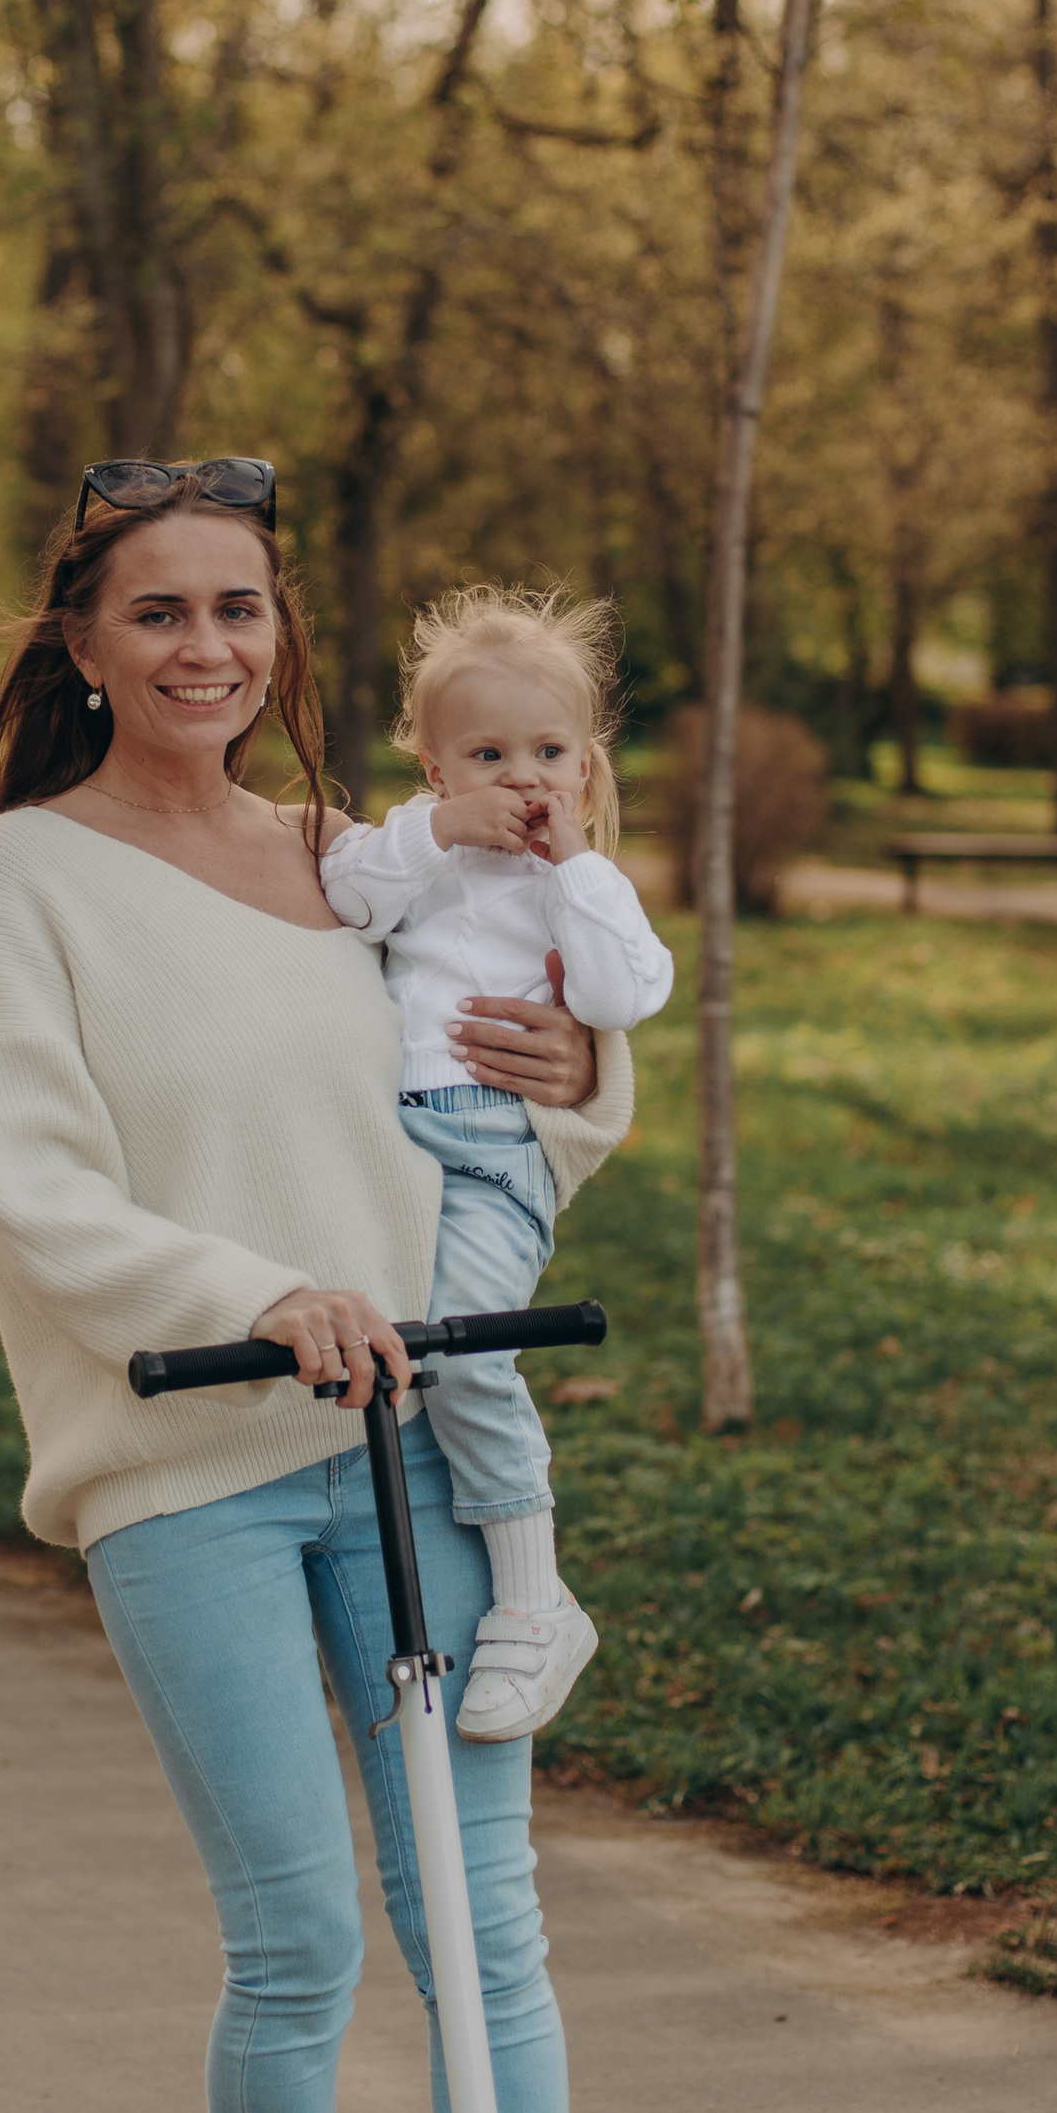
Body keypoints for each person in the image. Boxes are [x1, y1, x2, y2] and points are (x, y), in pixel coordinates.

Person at [0, 458, 679, 2113]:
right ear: (79, 642)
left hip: (409, 1448)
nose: (205, 652)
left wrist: (574, 1074)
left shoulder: (363, 856)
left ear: (281, 632)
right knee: (304, 1943)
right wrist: (251, 1298)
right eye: (156, 614)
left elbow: (505, 1084)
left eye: (238, 610)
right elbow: (32, 1175)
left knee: (486, 1936)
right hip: (193, 1467)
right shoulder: (27, 876)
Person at [319, 588, 674, 1743]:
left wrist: (575, 870)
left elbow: (624, 998)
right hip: (387, 1151)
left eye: (549, 753)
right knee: (393, 1367)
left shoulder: (581, 886)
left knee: (468, 1359)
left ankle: (534, 1602)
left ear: (584, 763)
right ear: (432, 765)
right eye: (487, 754)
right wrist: (430, 834)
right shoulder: (410, 851)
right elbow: (346, 896)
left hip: (489, 1156)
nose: (522, 779)